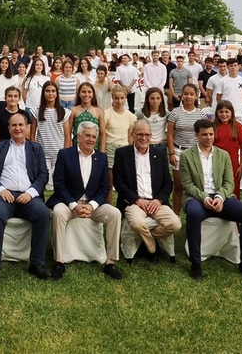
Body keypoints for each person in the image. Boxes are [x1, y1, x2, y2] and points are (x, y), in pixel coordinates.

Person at [180, 118, 242, 280]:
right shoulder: (187, 156)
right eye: (204, 135)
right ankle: (195, 263)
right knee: (194, 214)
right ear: (197, 135)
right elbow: (187, 184)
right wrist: (204, 198)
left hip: (221, 197)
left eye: (211, 134)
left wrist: (220, 197)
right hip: (197, 197)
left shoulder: (222, 155)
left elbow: (229, 183)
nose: (209, 138)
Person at [0, 111, 52, 285]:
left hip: (28, 196)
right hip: (4, 196)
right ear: (8, 128)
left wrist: (30, 193)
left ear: (28, 128)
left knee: (43, 213)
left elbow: (43, 175)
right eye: (14, 125)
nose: (18, 128)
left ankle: (36, 263)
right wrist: (0, 189)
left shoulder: (36, 148)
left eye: (21, 125)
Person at [48, 121, 123, 280]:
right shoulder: (65, 155)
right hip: (69, 203)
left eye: (94, 137)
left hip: (92, 205)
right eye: (87, 135)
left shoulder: (101, 158)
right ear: (78, 136)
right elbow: (59, 185)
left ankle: (110, 262)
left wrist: (91, 205)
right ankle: (59, 261)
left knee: (115, 213)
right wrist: (74, 206)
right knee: (58, 212)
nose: (91, 139)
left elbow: (105, 187)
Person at [113, 120, 181, 262]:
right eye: (140, 134)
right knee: (138, 223)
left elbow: (168, 183)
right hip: (135, 203)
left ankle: (148, 241)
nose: (144, 138)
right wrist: (136, 200)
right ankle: (151, 247)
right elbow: (118, 182)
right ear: (133, 135)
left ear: (151, 136)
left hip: (156, 202)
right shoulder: (122, 154)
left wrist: (158, 200)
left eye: (147, 135)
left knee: (175, 224)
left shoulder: (160, 154)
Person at [166, 83, 206, 214]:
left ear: (196, 96)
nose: (188, 96)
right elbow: (170, 134)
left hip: (195, 153)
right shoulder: (175, 113)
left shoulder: (201, 114)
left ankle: (195, 214)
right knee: (178, 187)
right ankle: (176, 216)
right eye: (186, 94)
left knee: (197, 185)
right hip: (178, 151)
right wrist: (171, 153)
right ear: (181, 95)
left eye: (191, 94)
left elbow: (204, 135)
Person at [212, 100, 242, 199]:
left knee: (233, 188)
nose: (224, 114)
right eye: (221, 112)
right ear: (217, 113)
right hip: (215, 162)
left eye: (226, 112)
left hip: (233, 163)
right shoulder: (213, 126)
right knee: (217, 187)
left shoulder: (238, 126)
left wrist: (241, 166)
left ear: (231, 113)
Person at [35, 81, 70, 179]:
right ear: (43, 93)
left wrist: (65, 153)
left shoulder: (64, 112)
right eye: (47, 91)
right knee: (42, 180)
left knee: (58, 181)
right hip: (42, 153)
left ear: (57, 93)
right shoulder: (36, 111)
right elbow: (32, 134)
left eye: (53, 91)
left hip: (58, 153)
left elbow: (67, 136)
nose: (50, 94)